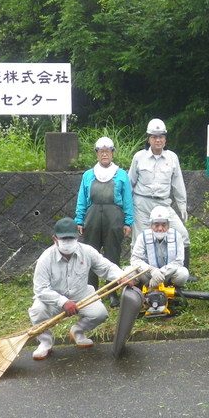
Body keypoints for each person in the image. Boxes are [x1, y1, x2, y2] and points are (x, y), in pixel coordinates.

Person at [28, 217, 129, 360]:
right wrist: (63, 302)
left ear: (78, 236)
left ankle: (78, 331)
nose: (68, 242)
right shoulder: (45, 259)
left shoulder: (87, 251)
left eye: (71, 238)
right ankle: (45, 343)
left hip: (81, 295)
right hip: (54, 298)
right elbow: (40, 289)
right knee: (37, 310)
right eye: (64, 239)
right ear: (55, 239)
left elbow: (106, 267)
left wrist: (121, 277)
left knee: (100, 313)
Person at [128, 118, 193, 276]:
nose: (158, 140)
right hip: (142, 204)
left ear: (165, 139)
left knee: (183, 235)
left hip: (164, 204)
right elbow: (129, 183)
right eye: (154, 137)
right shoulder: (139, 157)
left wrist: (182, 206)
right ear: (148, 139)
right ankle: (139, 277)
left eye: (161, 136)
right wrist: (127, 210)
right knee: (138, 241)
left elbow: (178, 184)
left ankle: (182, 273)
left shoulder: (172, 157)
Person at [74, 136, 134, 306]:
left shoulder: (121, 174)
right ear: (97, 154)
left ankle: (112, 292)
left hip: (114, 216)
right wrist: (79, 220)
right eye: (101, 151)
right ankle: (91, 293)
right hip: (92, 216)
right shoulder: (88, 175)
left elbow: (128, 199)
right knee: (90, 254)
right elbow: (82, 199)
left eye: (108, 151)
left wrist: (128, 222)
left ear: (113, 153)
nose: (105, 154)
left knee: (112, 254)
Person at [130, 205, 190, 289]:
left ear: (168, 225)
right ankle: (139, 291)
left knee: (183, 273)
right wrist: (152, 270)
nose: (160, 228)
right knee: (128, 272)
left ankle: (172, 289)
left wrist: (161, 272)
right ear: (151, 225)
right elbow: (135, 260)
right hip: (147, 275)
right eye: (156, 225)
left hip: (167, 276)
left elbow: (179, 262)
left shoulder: (177, 236)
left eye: (164, 225)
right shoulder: (142, 236)